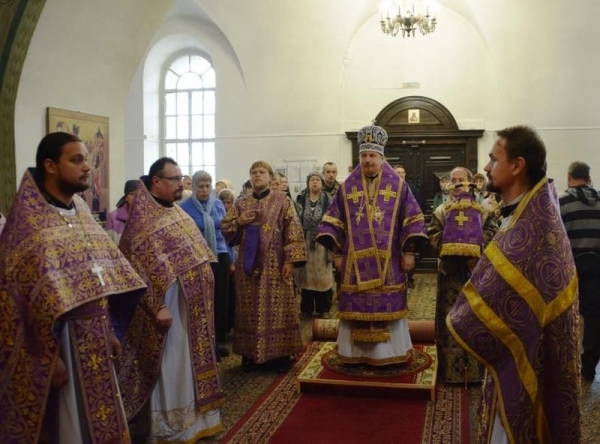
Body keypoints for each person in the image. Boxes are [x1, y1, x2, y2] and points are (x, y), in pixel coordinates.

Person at [0, 132, 147, 443]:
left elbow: (98, 276)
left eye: (87, 159)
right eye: (77, 159)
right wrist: (46, 358)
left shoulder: (80, 210)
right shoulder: (29, 223)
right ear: (51, 165)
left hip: (94, 336)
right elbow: (15, 302)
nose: (87, 167)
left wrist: (108, 327)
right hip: (58, 344)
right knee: (67, 425)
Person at [448, 126, 580, 443]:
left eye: (494, 159)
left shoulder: (535, 227)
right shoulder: (528, 213)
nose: (486, 167)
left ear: (517, 165)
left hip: (528, 362)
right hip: (512, 356)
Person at [116, 157, 223, 442]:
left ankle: (198, 420)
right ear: (157, 182)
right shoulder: (142, 218)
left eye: (180, 178)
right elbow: (135, 268)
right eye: (174, 179)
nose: (180, 184)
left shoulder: (175, 211)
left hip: (193, 309)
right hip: (167, 310)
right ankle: (171, 426)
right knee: (171, 364)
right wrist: (157, 305)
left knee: (189, 361)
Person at [317, 125, 427, 366]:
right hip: (353, 263)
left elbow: (413, 220)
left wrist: (409, 252)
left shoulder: (398, 186)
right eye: (363, 156)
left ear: (381, 157)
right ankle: (354, 353)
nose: (367, 160)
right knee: (355, 306)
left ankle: (389, 354)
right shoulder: (347, 187)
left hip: (390, 261)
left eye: (372, 156)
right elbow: (334, 221)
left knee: (389, 306)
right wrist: (336, 254)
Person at [222, 160, 307, 373]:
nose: (257, 175)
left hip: (276, 266)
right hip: (248, 270)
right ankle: (251, 355)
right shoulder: (241, 203)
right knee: (249, 311)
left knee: (277, 309)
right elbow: (226, 229)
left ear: (270, 177)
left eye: (261, 172)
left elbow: (294, 230)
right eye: (253, 172)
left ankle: (278, 356)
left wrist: (290, 261)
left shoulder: (282, 201)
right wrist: (238, 223)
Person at [428, 167, 498, 384]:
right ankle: (451, 372)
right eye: (454, 180)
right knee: (450, 321)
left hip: (476, 275)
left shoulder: (483, 210)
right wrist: (448, 246)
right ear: (449, 184)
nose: (458, 184)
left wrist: (475, 248)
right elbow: (432, 234)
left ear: (471, 183)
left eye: (462, 180)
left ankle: (476, 373)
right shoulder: (441, 210)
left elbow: (493, 234)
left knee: (476, 321)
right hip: (450, 274)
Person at [180, 170, 231, 358]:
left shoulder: (217, 204)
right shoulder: (185, 207)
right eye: (200, 186)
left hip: (220, 255)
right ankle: (203, 342)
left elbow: (226, 232)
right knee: (202, 302)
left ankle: (217, 340)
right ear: (193, 187)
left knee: (219, 300)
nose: (204, 190)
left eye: (207, 186)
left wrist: (231, 260)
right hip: (199, 259)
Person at [559, 161, 600, 382]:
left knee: (566, 316)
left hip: (569, 268)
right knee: (594, 317)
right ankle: (589, 367)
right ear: (588, 177)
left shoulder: (561, 202)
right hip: (597, 267)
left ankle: (565, 365)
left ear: (569, 176)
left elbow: (554, 239)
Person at [295, 172, 333, 319]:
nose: (315, 182)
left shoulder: (328, 199)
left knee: (322, 276)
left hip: (323, 242)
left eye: (318, 180)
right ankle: (306, 309)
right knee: (306, 276)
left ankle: (324, 308)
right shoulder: (301, 199)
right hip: (305, 242)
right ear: (308, 183)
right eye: (312, 180)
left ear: (322, 184)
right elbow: (297, 219)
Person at [105, 179, 137, 244]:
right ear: (126, 197)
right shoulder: (114, 217)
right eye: (132, 194)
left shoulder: (148, 217)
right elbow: (108, 245)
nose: (136, 198)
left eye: (139, 194)